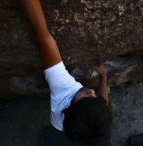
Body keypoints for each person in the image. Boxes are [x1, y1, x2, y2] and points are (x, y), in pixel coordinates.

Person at [20, 0, 112, 146]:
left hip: (60, 130)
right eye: (95, 97)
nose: (91, 92)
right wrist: (103, 76)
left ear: (71, 107)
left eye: (86, 98)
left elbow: (43, 37)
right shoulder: (98, 121)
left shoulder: (63, 92)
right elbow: (102, 103)